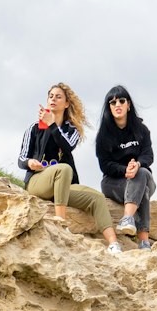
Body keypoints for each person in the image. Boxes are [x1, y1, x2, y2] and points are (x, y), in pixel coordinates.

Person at [18, 82, 122, 255]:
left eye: (58, 97)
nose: (53, 99)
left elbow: (67, 146)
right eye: (51, 96)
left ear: (66, 103)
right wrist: (30, 163)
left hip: (63, 186)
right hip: (37, 182)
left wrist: (53, 125)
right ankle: (60, 223)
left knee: (97, 197)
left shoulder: (71, 130)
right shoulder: (34, 128)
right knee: (65, 168)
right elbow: (21, 158)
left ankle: (113, 244)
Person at [95, 85, 155, 249]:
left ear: (128, 104)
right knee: (143, 192)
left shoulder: (141, 130)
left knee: (141, 174)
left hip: (142, 176)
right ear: (109, 107)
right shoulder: (103, 135)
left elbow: (148, 156)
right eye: (113, 102)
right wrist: (124, 170)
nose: (118, 105)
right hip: (114, 182)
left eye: (121, 101)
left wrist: (137, 164)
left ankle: (127, 218)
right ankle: (144, 242)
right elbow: (105, 165)